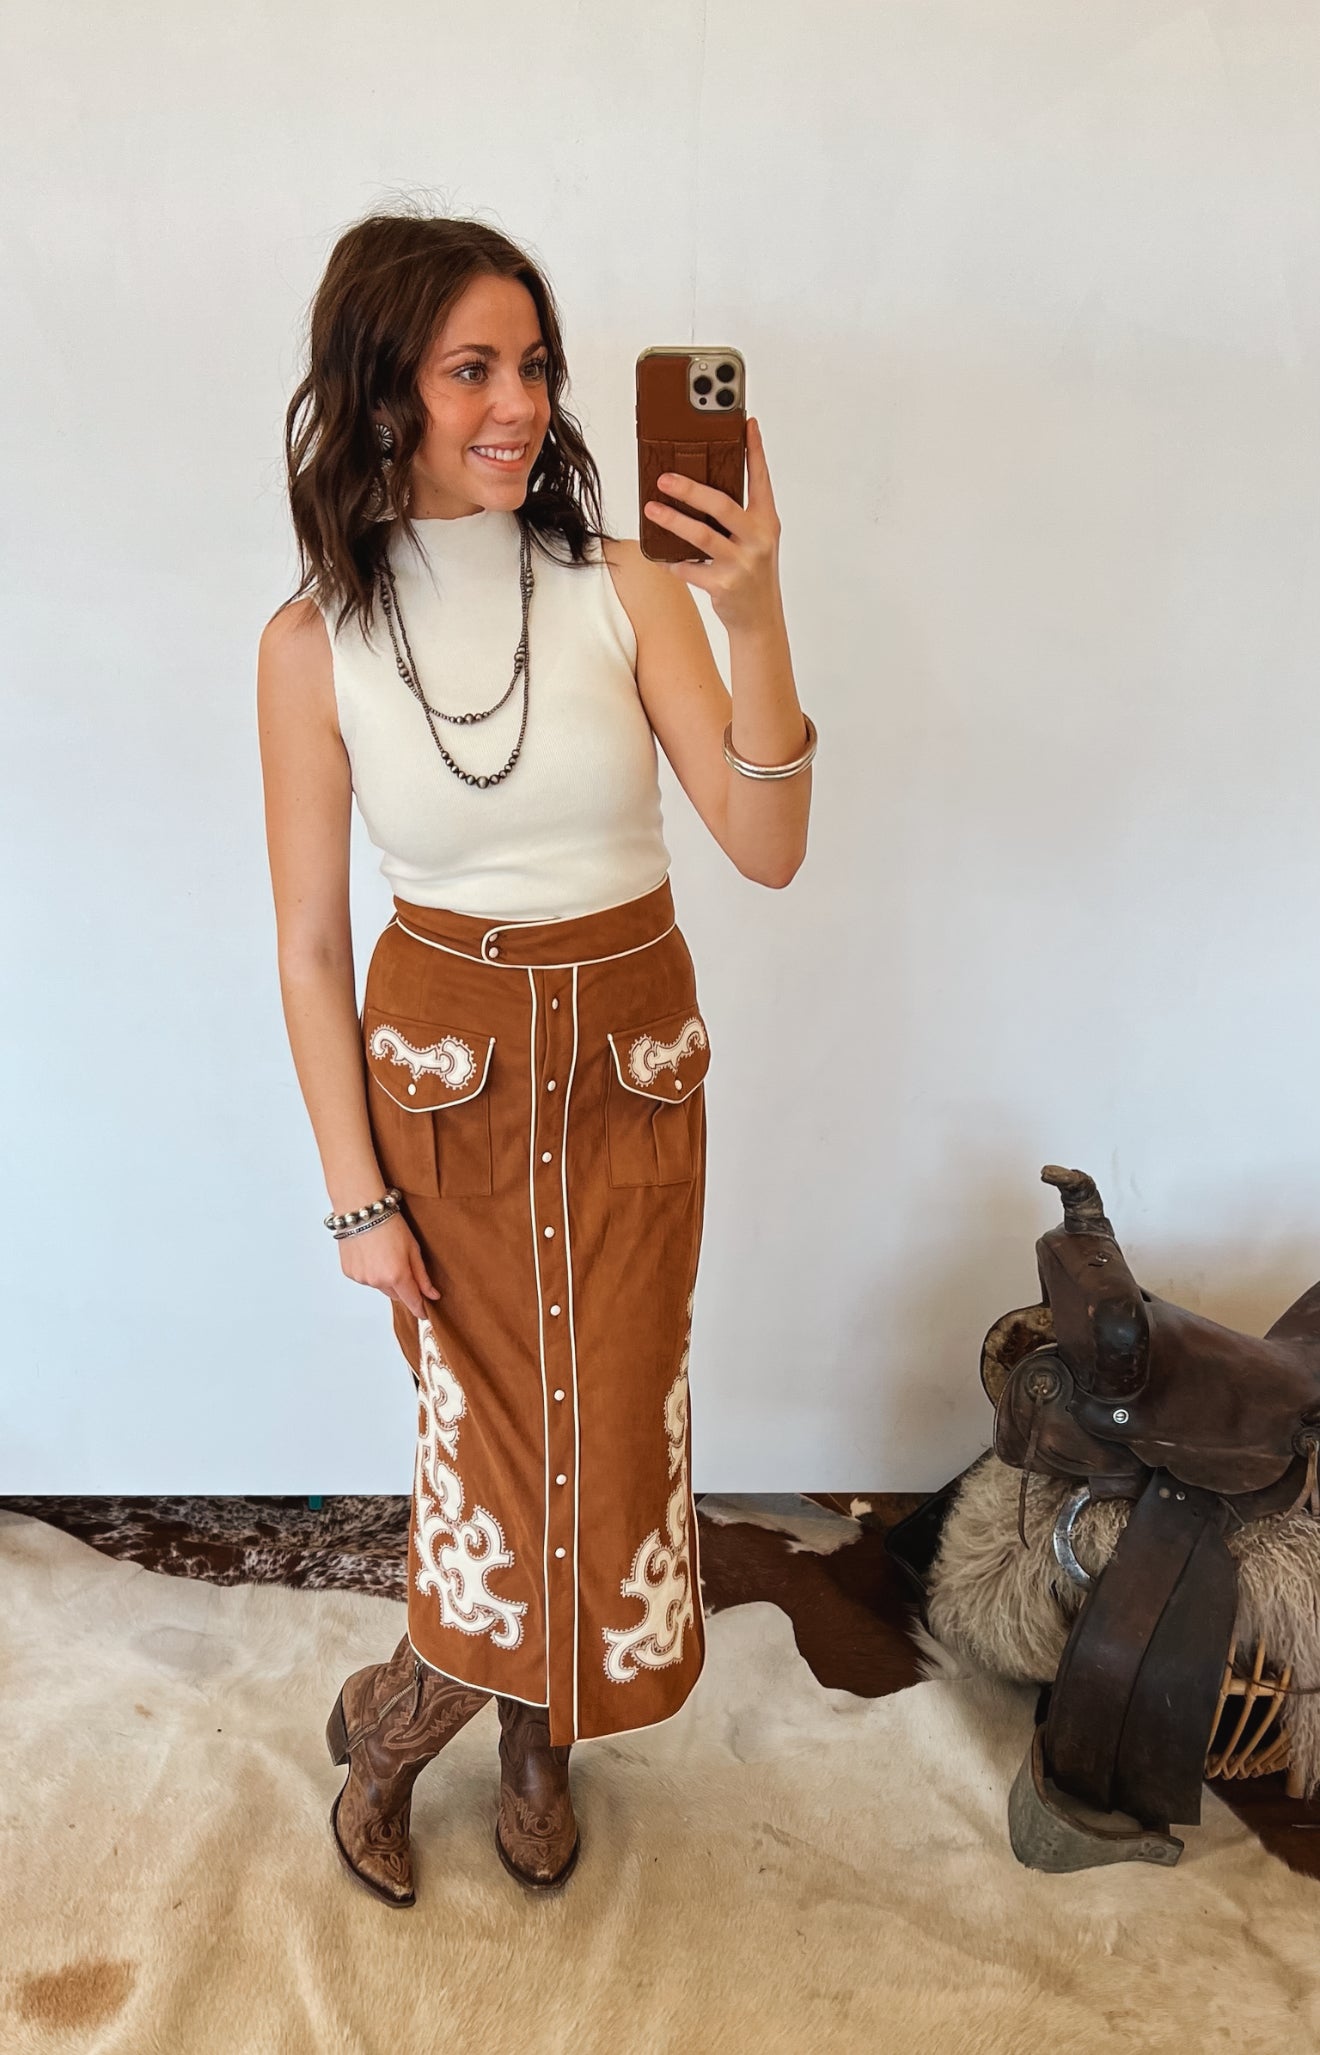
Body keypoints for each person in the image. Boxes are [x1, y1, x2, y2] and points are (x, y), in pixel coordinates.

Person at [256, 209, 815, 1909]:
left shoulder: (622, 588)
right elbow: (309, 947)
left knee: (613, 1438)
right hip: (446, 1082)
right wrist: (358, 1205)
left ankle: (533, 1738)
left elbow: (766, 847)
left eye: (536, 365)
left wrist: (757, 611)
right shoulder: (309, 647)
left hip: (632, 1070)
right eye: (472, 369)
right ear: (383, 393)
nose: (521, 403)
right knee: (489, 1458)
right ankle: (402, 1737)